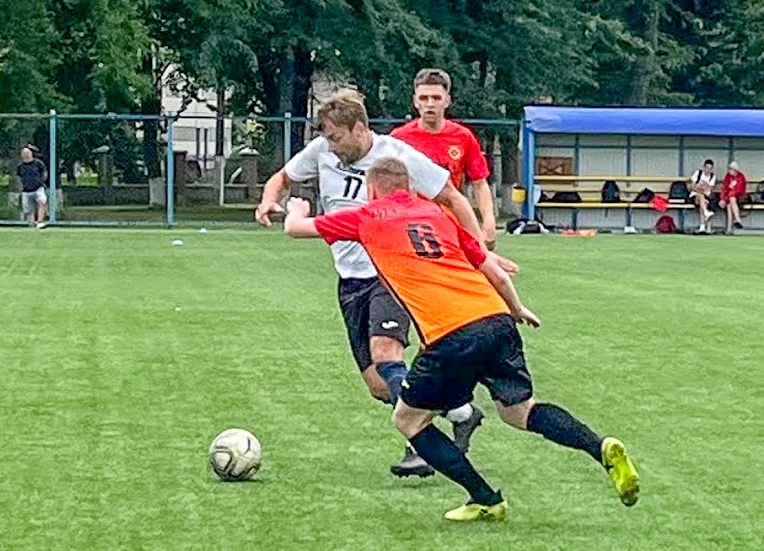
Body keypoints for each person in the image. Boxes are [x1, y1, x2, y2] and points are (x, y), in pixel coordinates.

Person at [283, 156, 639, 522]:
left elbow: (295, 229)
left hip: (451, 334)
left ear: (372, 191)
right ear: (409, 188)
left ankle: (485, 498)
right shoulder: (439, 215)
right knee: (520, 411)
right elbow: (492, 268)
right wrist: (516, 308)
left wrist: (296, 208)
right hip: (496, 318)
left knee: (408, 421)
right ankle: (600, 447)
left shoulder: (367, 215)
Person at [256, 89, 517, 478]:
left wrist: (480, 249)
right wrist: (267, 200)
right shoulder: (322, 151)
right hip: (349, 281)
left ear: (359, 128)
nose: (330, 145)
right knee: (378, 383)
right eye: (326, 137)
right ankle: (461, 413)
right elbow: (282, 177)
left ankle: (420, 443)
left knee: (386, 353)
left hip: (391, 274)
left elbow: (453, 198)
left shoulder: (397, 157)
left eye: (335, 136)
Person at [391, 68, 497, 247]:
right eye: (424, 98)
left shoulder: (463, 137)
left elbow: (479, 183)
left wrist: (488, 220)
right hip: (410, 224)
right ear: (415, 101)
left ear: (447, 101)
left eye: (436, 98)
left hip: (451, 223)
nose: (430, 104)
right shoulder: (398, 139)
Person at [16, 147, 48, 229]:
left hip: (38, 188)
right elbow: (18, 176)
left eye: (28, 153)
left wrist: (41, 182)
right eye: (24, 153)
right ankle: (32, 224)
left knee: (42, 202)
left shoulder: (38, 163)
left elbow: (44, 172)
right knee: (28, 209)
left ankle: (40, 222)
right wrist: (21, 186)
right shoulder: (20, 166)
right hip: (26, 190)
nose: (26, 155)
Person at [689, 159, 716, 234]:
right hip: (694, 196)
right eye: (707, 168)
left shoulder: (712, 176)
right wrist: (701, 189)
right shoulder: (698, 173)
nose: (708, 170)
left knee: (704, 203)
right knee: (701, 198)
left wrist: (699, 188)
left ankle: (702, 226)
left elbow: (708, 191)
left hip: (704, 197)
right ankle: (706, 214)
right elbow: (692, 186)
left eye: (710, 169)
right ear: (704, 167)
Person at [719, 161, 747, 234]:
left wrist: (725, 199)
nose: (729, 170)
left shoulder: (741, 176)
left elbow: (738, 190)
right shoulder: (728, 176)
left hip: (740, 197)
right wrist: (722, 199)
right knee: (729, 203)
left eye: (731, 169)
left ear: (735, 170)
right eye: (729, 168)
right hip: (730, 198)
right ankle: (730, 228)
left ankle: (735, 222)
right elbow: (724, 188)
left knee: (731, 199)